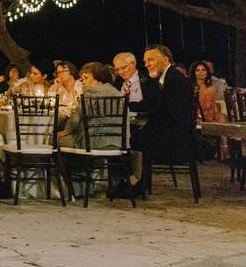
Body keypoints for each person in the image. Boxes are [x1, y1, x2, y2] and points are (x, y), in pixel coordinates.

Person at [118, 45, 194, 198]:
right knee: (130, 138)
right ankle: (136, 183)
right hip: (164, 129)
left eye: (150, 59)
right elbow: (149, 104)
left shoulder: (176, 80)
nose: (146, 64)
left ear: (165, 59)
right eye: (145, 61)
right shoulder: (162, 78)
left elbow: (170, 112)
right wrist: (123, 104)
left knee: (126, 140)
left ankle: (135, 184)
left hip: (175, 136)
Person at [57, 62, 122, 149]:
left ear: (98, 77)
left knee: (54, 140)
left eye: (86, 78)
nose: (83, 81)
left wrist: (66, 131)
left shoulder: (90, 94)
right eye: (82, 79)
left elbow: (76, 118)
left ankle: (78, 162)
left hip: (94, 142)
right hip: (118, 143)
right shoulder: (118, 94)